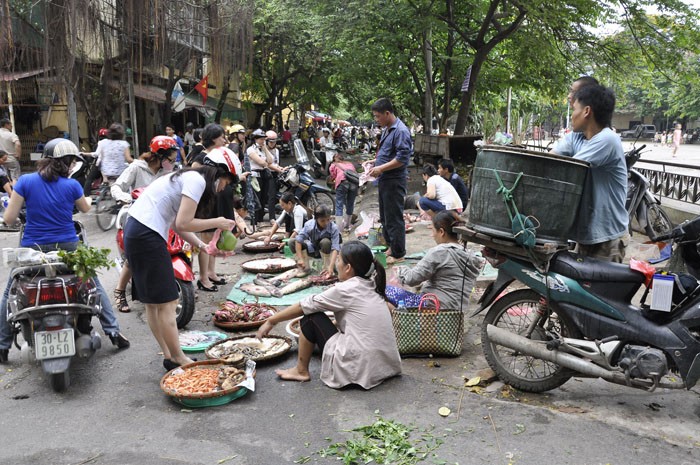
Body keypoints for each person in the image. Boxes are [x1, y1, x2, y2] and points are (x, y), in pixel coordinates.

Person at [0, 138, 130, 363]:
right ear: (69, 163)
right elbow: (85, 208)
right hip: (69, 248)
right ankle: (113, 331)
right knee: (93, 283)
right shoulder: (72, 186)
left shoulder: (25, 182)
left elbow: (10, 219)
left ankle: (2, 345)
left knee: (10, 289)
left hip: (33, 248)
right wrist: (85, 197)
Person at [122, 155, 238, 370]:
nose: (222, 189)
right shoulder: (197, 180)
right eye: (225, 183)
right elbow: (185, 222)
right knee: (168, 302)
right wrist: (218, 221)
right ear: (219, 175)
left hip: (137, 230)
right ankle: (178, 357)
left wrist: (203, 247)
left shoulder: (187, 177)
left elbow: (177, 225)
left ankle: (169, 355)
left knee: (154, 304)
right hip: (147, 234)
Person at [256, 240, 401, 389]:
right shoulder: (371, 284)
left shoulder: (345, 289)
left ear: (348, 268)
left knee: (310, 318)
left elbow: (303, 305)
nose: (336, 264)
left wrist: (271, 321)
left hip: (361, 367)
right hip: (385, 365)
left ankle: (301, 370)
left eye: (338, 260)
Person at [553, 84, 628, 262]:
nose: (572, 115)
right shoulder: (577, 137)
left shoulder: (607, 139)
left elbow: (570, 169)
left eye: (574, 109)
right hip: (586, 236)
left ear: (586, 111)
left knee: (597, 291)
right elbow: (551, 161)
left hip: (607, 239)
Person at [110, 136, 178, 313]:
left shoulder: (169, 173)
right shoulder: (137, 167)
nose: (173, 163)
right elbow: (117, 186)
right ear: (160, 157)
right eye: (171, 159)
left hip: (162, 217)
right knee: (133, 258)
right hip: (137, 216)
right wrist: (126, 197)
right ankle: (120, 291)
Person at [385, 211, 482, 309]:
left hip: (434, 307)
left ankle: (403, 323)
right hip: (457, 310)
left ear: (441, 232)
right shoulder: (469, 254)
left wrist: (401, 270)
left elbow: (411, 279)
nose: (432, 235)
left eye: (433, 231)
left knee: (384, 290)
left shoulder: (439, 252)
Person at [367, 98, 413, 265]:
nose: (376, 119)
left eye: (378, 116)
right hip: (385, 179)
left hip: (394, 180)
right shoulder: (387, 129)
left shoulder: (401, 131)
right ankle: (392, 247)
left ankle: (399, 252)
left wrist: (381, 168)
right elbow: (387, 154)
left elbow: (401, 159)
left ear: (387, 113)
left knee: (394, 217)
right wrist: (374, 162)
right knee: (385, 217)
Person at [191, 124, 234, 292]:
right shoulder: (201, 155)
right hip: (208, 202)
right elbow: (194, 172)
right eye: (221, 137)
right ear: (213, 138)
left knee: (215, 237)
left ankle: (211, 272)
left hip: (220, 200)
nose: (224, 140)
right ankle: (203, 277)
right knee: (205, 239)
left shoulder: (219, 155)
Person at [295, 205, 341, 277]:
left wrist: (331, 266)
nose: (326, 223)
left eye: (328, 219)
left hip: (328, 252)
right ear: (316, 219)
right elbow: (298, 240)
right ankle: (305, 268)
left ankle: (327, 268)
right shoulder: (309, 225)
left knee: (325, 242)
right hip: (313, 250)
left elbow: (335, 248)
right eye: (322, 221)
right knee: (292, 242)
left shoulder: (334, 228)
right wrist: (300, 259)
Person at [246, 129, 277, 223]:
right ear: (255, 139)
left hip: (264, 175)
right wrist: (265, 163)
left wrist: (265, 149)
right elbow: (261, 162)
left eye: (264, 139)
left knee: (264, 198)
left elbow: (270, 161)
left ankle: (260, 219)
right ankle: (254, 221)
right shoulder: (251, 149)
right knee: (256, 198)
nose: (263, 141)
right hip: (255, 176)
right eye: (261, 139)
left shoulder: (263, 149)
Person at [328, 151, 358, 233]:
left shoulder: (333, 165)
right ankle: (347, 225)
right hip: (354, 183)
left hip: (342, 183)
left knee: (339, 205)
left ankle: (339, 229)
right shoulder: (349, 163)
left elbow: (333, 176)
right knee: (350, 203)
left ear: (334, 159)